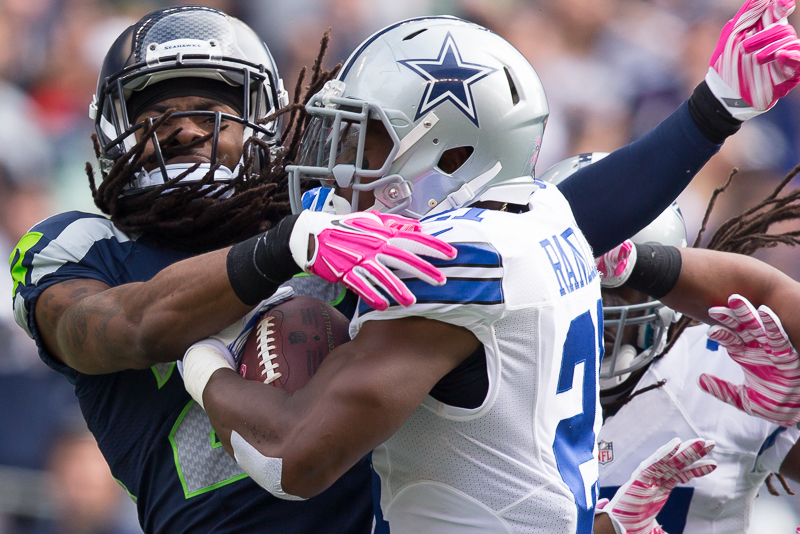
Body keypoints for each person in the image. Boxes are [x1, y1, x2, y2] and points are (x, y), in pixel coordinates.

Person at [180, 6, 800, 530]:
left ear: (447, 150)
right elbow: (600, 204)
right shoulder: (534, 222)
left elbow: (293, 462)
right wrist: (712, 110)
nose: (338, 163)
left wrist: (201, 363)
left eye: (360, 139)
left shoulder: (455, 262)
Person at [8, 6, 457, 533]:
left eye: (207, 110)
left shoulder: (329, 220)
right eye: (155, 118)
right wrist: (278, 250)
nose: (183, 131)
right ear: (113, 132)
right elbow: (132, 326)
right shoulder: (80, 246)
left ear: (263, 123)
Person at [541, 153, 800, 534]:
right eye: (581, 283)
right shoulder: (501, 384)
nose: (597, 305)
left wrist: (792, 414)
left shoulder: (718, 374)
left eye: (614, 283)